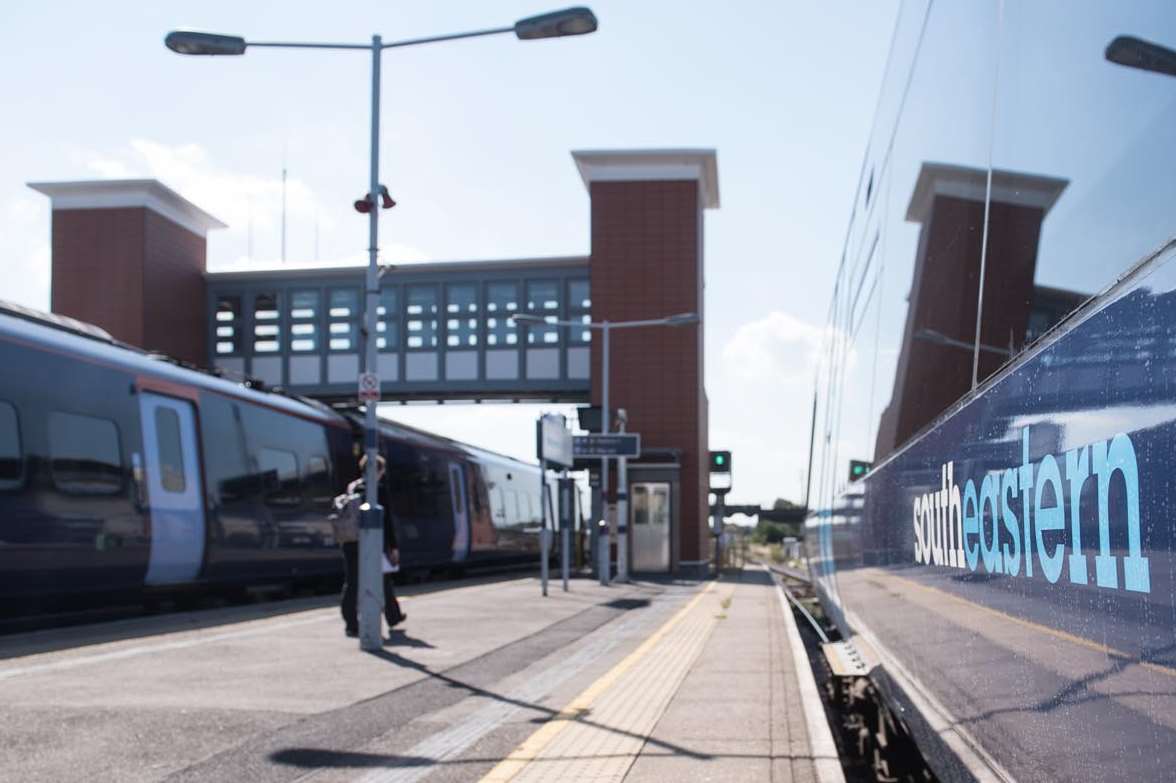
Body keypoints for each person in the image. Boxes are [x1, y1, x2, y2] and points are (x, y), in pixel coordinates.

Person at [339, 454, 405, 638]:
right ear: (379, 470)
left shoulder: (352, 487)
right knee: (383, 581)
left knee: (352, 582)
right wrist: (392, 547)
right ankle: (393, 616)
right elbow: (386, 520)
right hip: (373, 543)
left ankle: (351, 624)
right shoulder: (378, 489)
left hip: (350, 541)